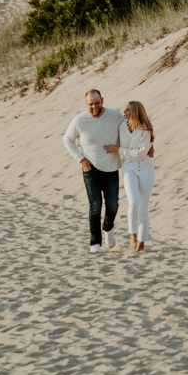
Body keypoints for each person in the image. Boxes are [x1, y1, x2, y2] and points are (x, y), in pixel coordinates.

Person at [62, 88, 124, 252]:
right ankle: (95, 242)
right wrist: (80, 159)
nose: (94, 107)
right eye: (91, 104)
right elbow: (67, 139)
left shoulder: (115, 115)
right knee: (95, 205)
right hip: (91, 170)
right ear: (86, 104)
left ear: (102, 100)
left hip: (111, 169)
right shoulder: (79, 120)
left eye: (97, 103)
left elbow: (129, 129)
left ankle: (108, 229)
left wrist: (146, 144)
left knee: (112, 205)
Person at [119, 100, 156, 253]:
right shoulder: (121, 126)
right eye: (125, 110)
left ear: (135, 112)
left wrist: (119, 150)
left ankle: (142, 241)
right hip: (129, 168)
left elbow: (141, 153)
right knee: (133, 201)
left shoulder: (145, 130)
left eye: (128, 110)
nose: (124, 113)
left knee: (143, 207)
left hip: (146, 168)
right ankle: (133, 234)